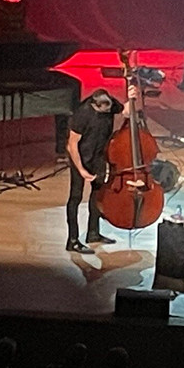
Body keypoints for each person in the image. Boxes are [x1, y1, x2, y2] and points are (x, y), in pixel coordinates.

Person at [65, 86, 136, 254]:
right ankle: (73, 240)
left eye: (110, 107)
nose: (109, 110)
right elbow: (72, 145)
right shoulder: (82, 114)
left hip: (98, 156)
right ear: (95, 106)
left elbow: (125, 112)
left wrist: (131, 98)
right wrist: (81, 170)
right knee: (75, 197)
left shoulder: (109, 104)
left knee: (97, 194)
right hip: (80, 158)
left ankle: (93, 233)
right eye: (105, 109)